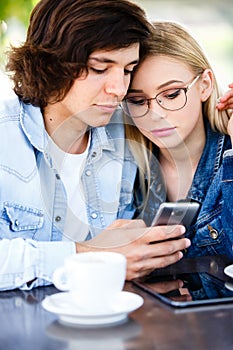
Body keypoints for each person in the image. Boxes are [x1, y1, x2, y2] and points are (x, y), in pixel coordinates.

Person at [0, 1, 190, 291]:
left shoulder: (127, 130)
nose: (118, 89)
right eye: (99, 68)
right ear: (49, 63)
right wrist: (85, 256)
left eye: (128, 70)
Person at [121, 21, 233, 260]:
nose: (156, 115)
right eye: (138, 101)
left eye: (171, 95)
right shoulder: (125, 169)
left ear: (205, 85)